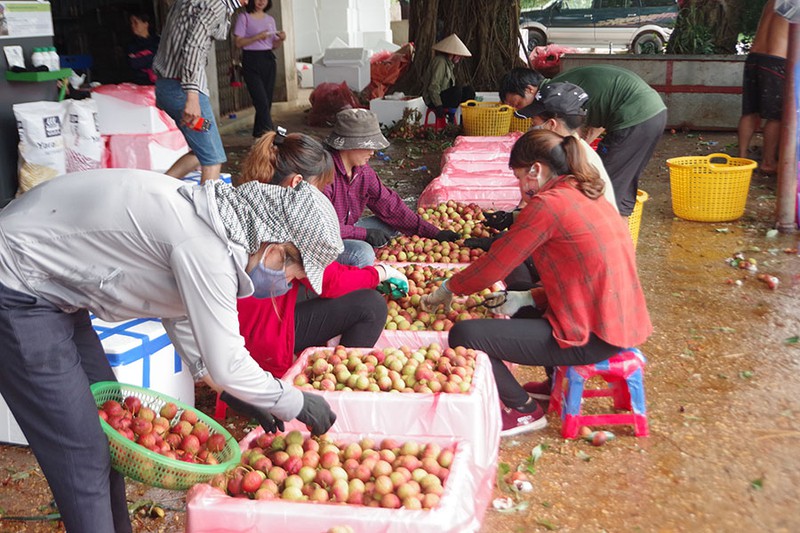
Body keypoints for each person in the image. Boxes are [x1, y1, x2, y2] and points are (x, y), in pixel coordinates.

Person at [0, 168, 341, 531]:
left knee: (107, 429)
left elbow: (179, 311)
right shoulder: (205, 248)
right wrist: (294, 402)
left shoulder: (216, 224)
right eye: (293, 273)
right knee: (81, 453)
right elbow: (229, 361)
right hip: (18, 279)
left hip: (56, 286)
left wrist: (229, 389)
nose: (288, 283)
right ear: (275, 248)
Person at [421, 129, 652, 437]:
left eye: (520, 178)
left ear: (536, 170)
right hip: (618, 322)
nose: (521, 188)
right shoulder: (584, 191)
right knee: (519, 297)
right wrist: (530, 298)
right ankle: (553, 377)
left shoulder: (548, 204)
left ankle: (522, 410)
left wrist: (448, 288)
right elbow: (582, 276)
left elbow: (495, 265)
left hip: (594, 336)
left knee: (465, 334)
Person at [234, 130, 403, 377]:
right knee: (370, 305)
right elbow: (329, 282)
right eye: (318, 188)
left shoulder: (250, 197)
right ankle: (346, 376)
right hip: (261, 337)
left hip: (233, 331)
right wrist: (379, 273)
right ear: (298, 183)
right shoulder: (293, 218)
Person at [499, 66, 667, 217]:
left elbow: (561, 139)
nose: (520, 110)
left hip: (637, 114)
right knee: (618, 180)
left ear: (529, 90)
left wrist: (524, 204)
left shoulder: (558, 94)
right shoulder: (562, 88)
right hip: (650, 110)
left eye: (517, 104)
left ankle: (613, 240)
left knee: (609, 186)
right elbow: (595, 122)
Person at [323, 108, 460, 268]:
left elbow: (391, 206)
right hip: (323, 241)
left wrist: (434, 233)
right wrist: (364, 234)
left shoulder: (363, 172)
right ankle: (348, 282)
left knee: (393, 224)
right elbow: (321, 229)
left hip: (346, 229)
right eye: (369, 146)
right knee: (363, 253)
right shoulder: (324, 175)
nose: (373, 152)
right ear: (350, 145)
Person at [152, 0, 246, 183]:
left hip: (171, 88)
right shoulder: (215, 5)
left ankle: (156, 191)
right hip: (183, 92)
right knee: (213, 158)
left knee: (202, 149)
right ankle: (204, 211)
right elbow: (193, 49)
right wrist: (192, 98)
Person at [737, 0, 789, 175]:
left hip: (754, 58)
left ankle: (742, 157)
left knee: (750, 112)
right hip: (776, 61)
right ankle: (768, 162)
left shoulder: (772, 2)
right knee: (776, 116)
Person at [233, 0, 287, 138]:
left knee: (267, 101)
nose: (261, 1)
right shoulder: (244, 17)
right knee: (260, 101)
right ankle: (271, 136)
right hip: (251, 59)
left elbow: (274, 45)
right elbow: (238, 43)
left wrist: (281, 39)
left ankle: (259, 136)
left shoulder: (270, 19)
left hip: (268, 59)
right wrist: (257, 37)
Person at [422, 33, 476, 122]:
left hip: (444, 97)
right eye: (458, 55)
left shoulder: (449, 64)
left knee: (468, 90)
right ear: (452, 53)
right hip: (434, 100)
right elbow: (433, 86)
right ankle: (451, 118)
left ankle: (467, 120)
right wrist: (438, 105)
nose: (460, 57)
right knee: (457, 89)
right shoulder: (440, 62)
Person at [127, 12, 160, 85]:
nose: (133, 25)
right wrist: (153, 56)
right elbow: (134, 64)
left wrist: (142, 58)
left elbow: (163, 59)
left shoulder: (158, 41)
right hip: (139, 84)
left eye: (136, 22)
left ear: (145, 24)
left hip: (159, 84)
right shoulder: (131, 44)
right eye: (131, 23)